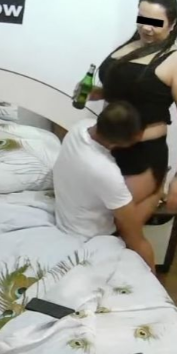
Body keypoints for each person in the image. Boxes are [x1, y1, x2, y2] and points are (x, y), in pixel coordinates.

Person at [85, 0, 177, 219]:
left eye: (155, 23)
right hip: (107, 148)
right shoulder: (129, 47)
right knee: (99, 223)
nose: (146, 28)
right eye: (142, 19)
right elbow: (132, 92)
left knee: (123, 227)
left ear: (172, 24)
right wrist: (99, 92)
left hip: (143, 155)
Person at [53, 101, 163, 272]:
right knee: (154, 195)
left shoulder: (79, 128)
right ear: (122, 144)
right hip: (88, 236)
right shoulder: (106, 173)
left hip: (67, 219)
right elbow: (135, 238)